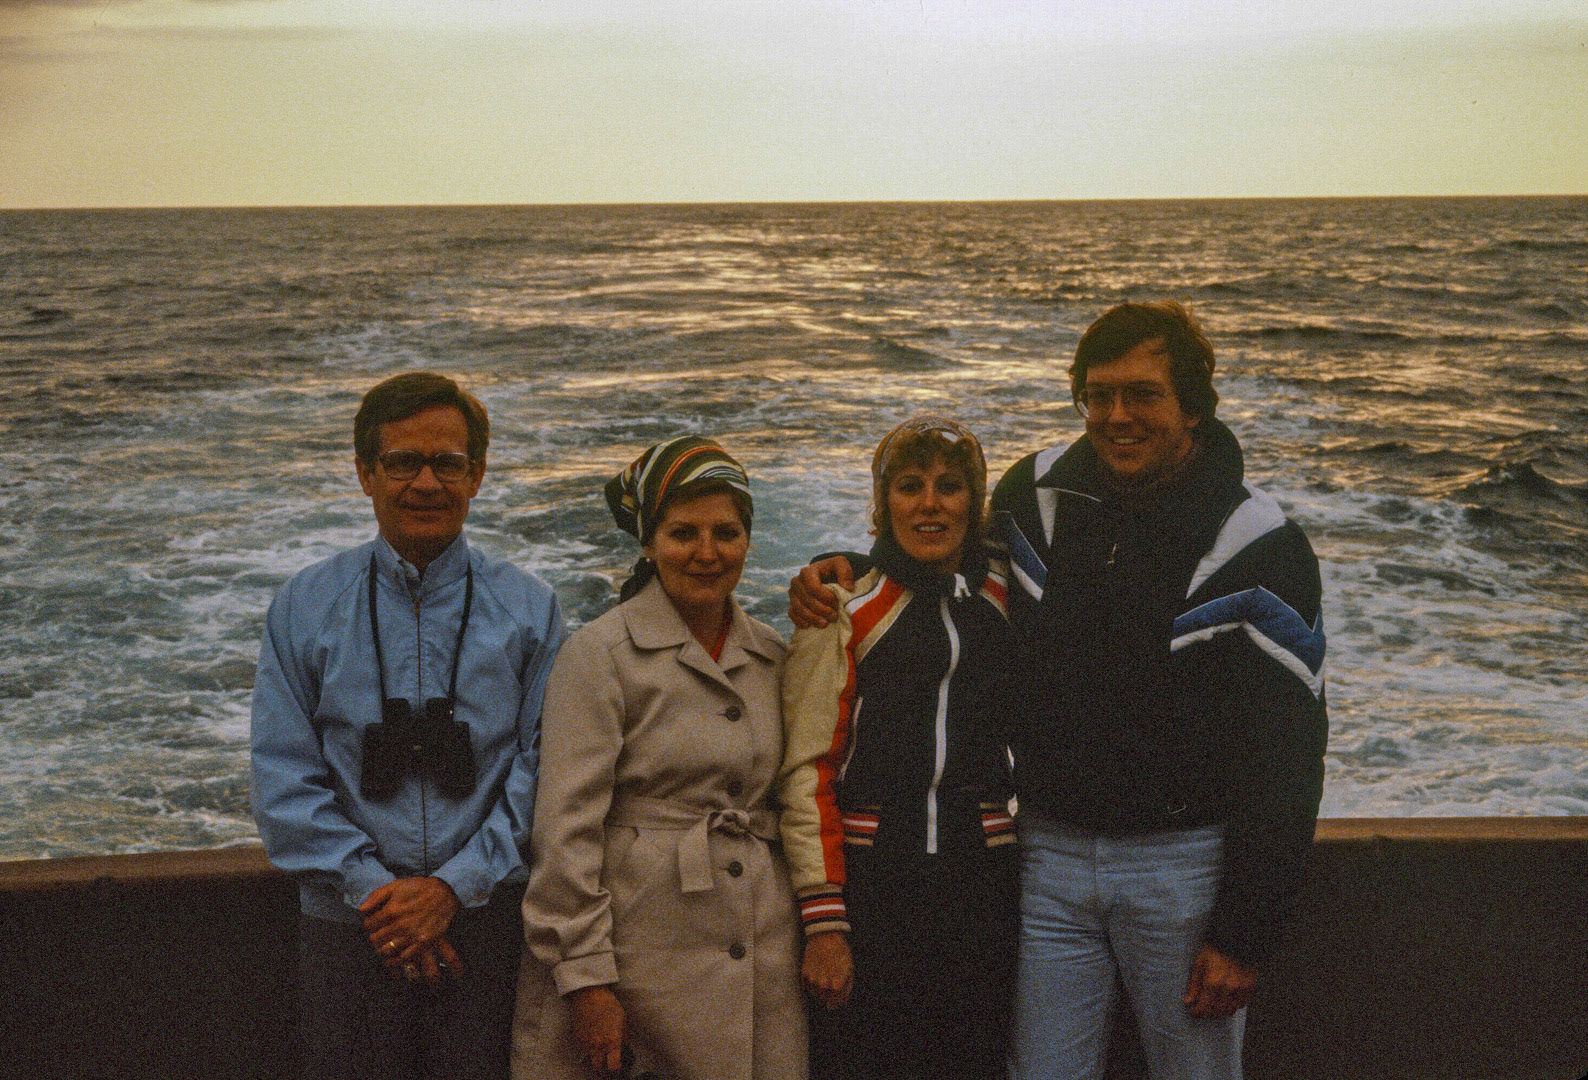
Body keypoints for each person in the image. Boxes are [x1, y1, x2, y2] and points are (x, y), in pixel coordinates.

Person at [789, 302, 1328, 1080]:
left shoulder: (1260, 543)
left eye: (1142, 394)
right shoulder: (1037, 493)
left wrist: (1244, 931)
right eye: (1098, 395)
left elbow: (1290, 754)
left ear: (1193, 404)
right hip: (1046, 859)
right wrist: (840, 569)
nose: (1117, 416)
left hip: (1179, 868)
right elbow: (939, 558)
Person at [250, 371, 566, 1080]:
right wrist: (380, 898)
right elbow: (282, 775)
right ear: (365, 473)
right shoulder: (304, 606)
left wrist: (451, 888)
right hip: (349, 930)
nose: (427, 482)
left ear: (477, 475)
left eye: (447, 464)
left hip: (485, 926)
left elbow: (542, 768)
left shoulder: (529, 610)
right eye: (403, 463)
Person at [513, 437, 807, 1080]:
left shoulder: (771, 656)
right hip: (636, 962)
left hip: (761, 955)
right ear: (648, 542)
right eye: (682, 533)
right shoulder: (600, 655)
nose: (707, 552)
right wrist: (587, 981)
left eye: (726, 532)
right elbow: (564, 830)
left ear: (748, 541)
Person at [778, 416, 1020, 1080]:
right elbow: (806, 773)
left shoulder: (1004, 591)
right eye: (909, 487)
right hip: (875, 889)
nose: (931, 503)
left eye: (950, 486)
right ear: (883, 505)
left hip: (985, 883)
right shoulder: (842, 610)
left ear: (975, 503)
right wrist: (824, 921)